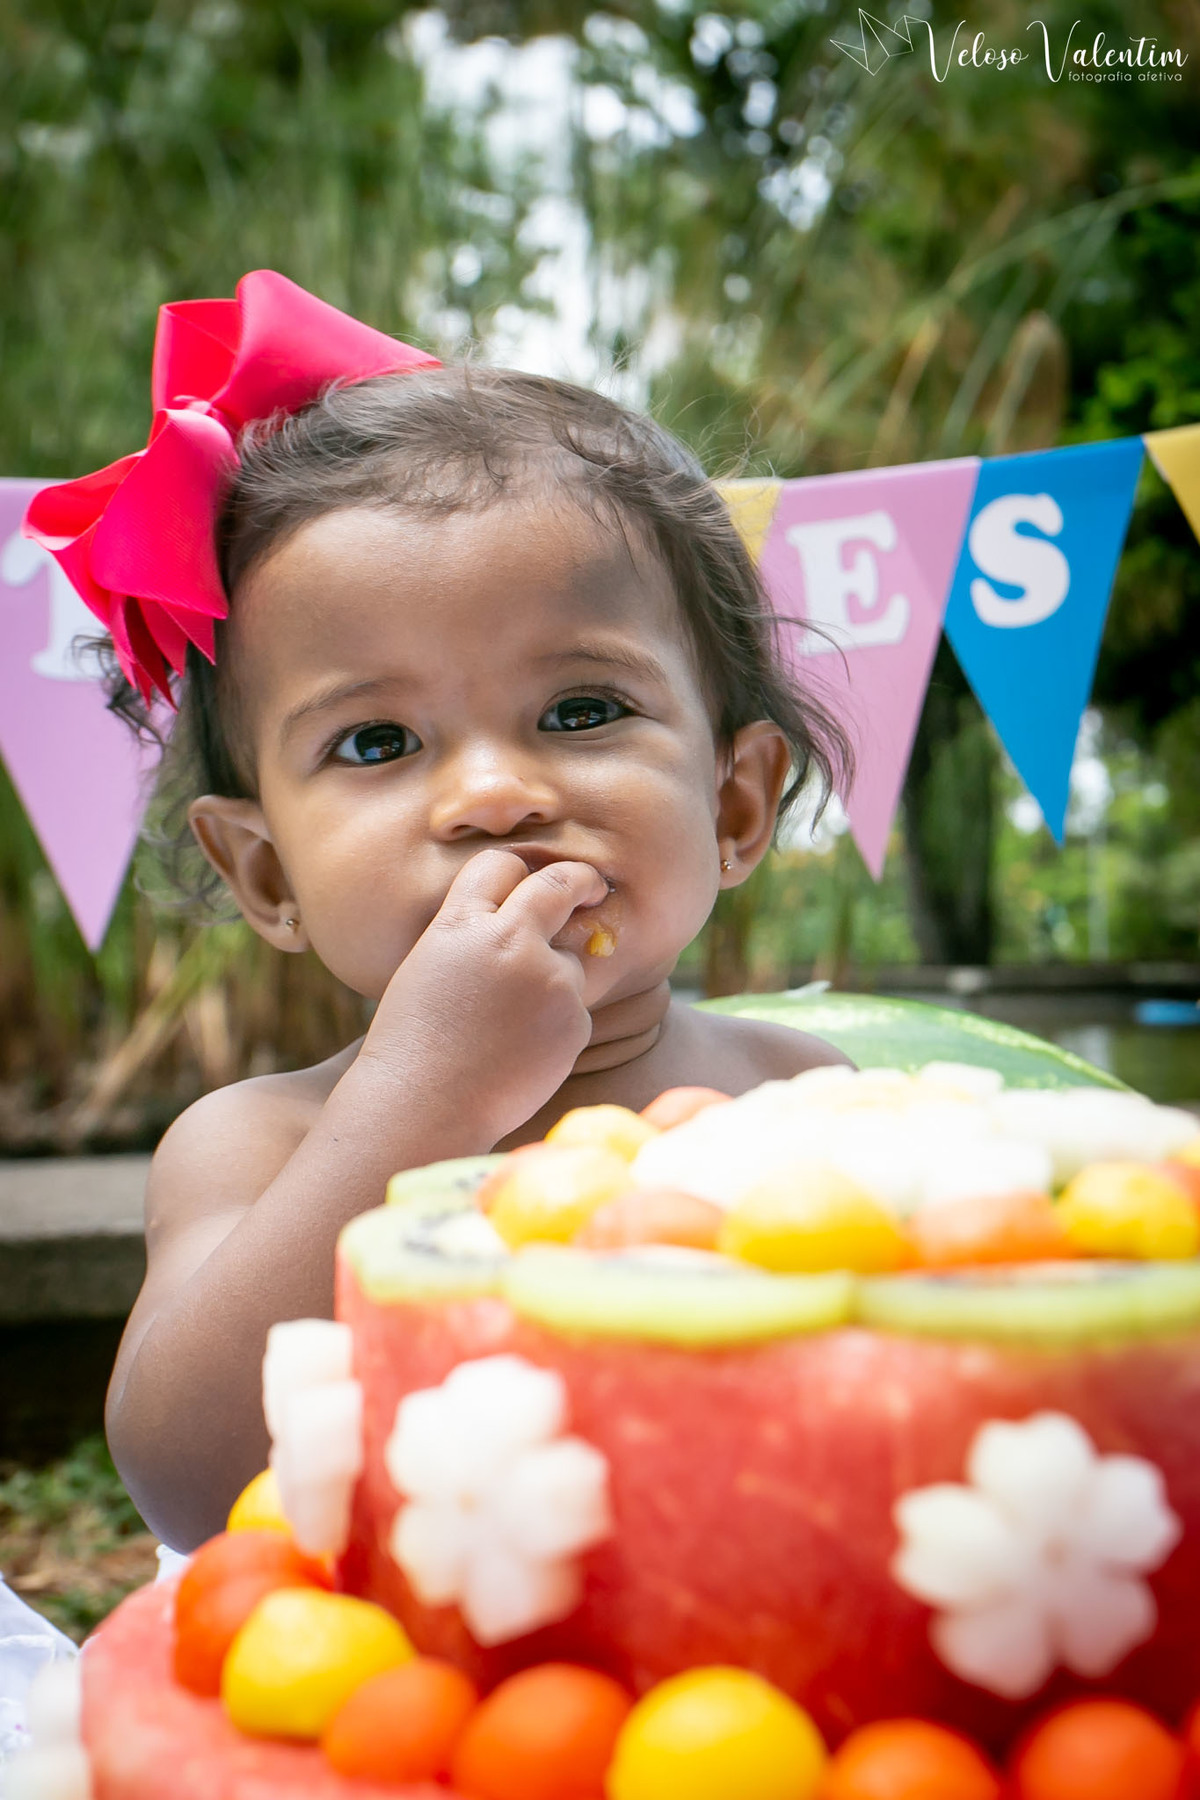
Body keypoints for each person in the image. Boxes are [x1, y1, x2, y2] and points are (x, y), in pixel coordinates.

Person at [28, 273, 853, 1551]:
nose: (491, 794)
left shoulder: (805, 1097)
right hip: (399, 1710)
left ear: (738, 806)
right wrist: (420, 1100)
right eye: (376, 741)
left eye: (580, 711)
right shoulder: (256, 1147)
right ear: (265, 876)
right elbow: (188, 1484)